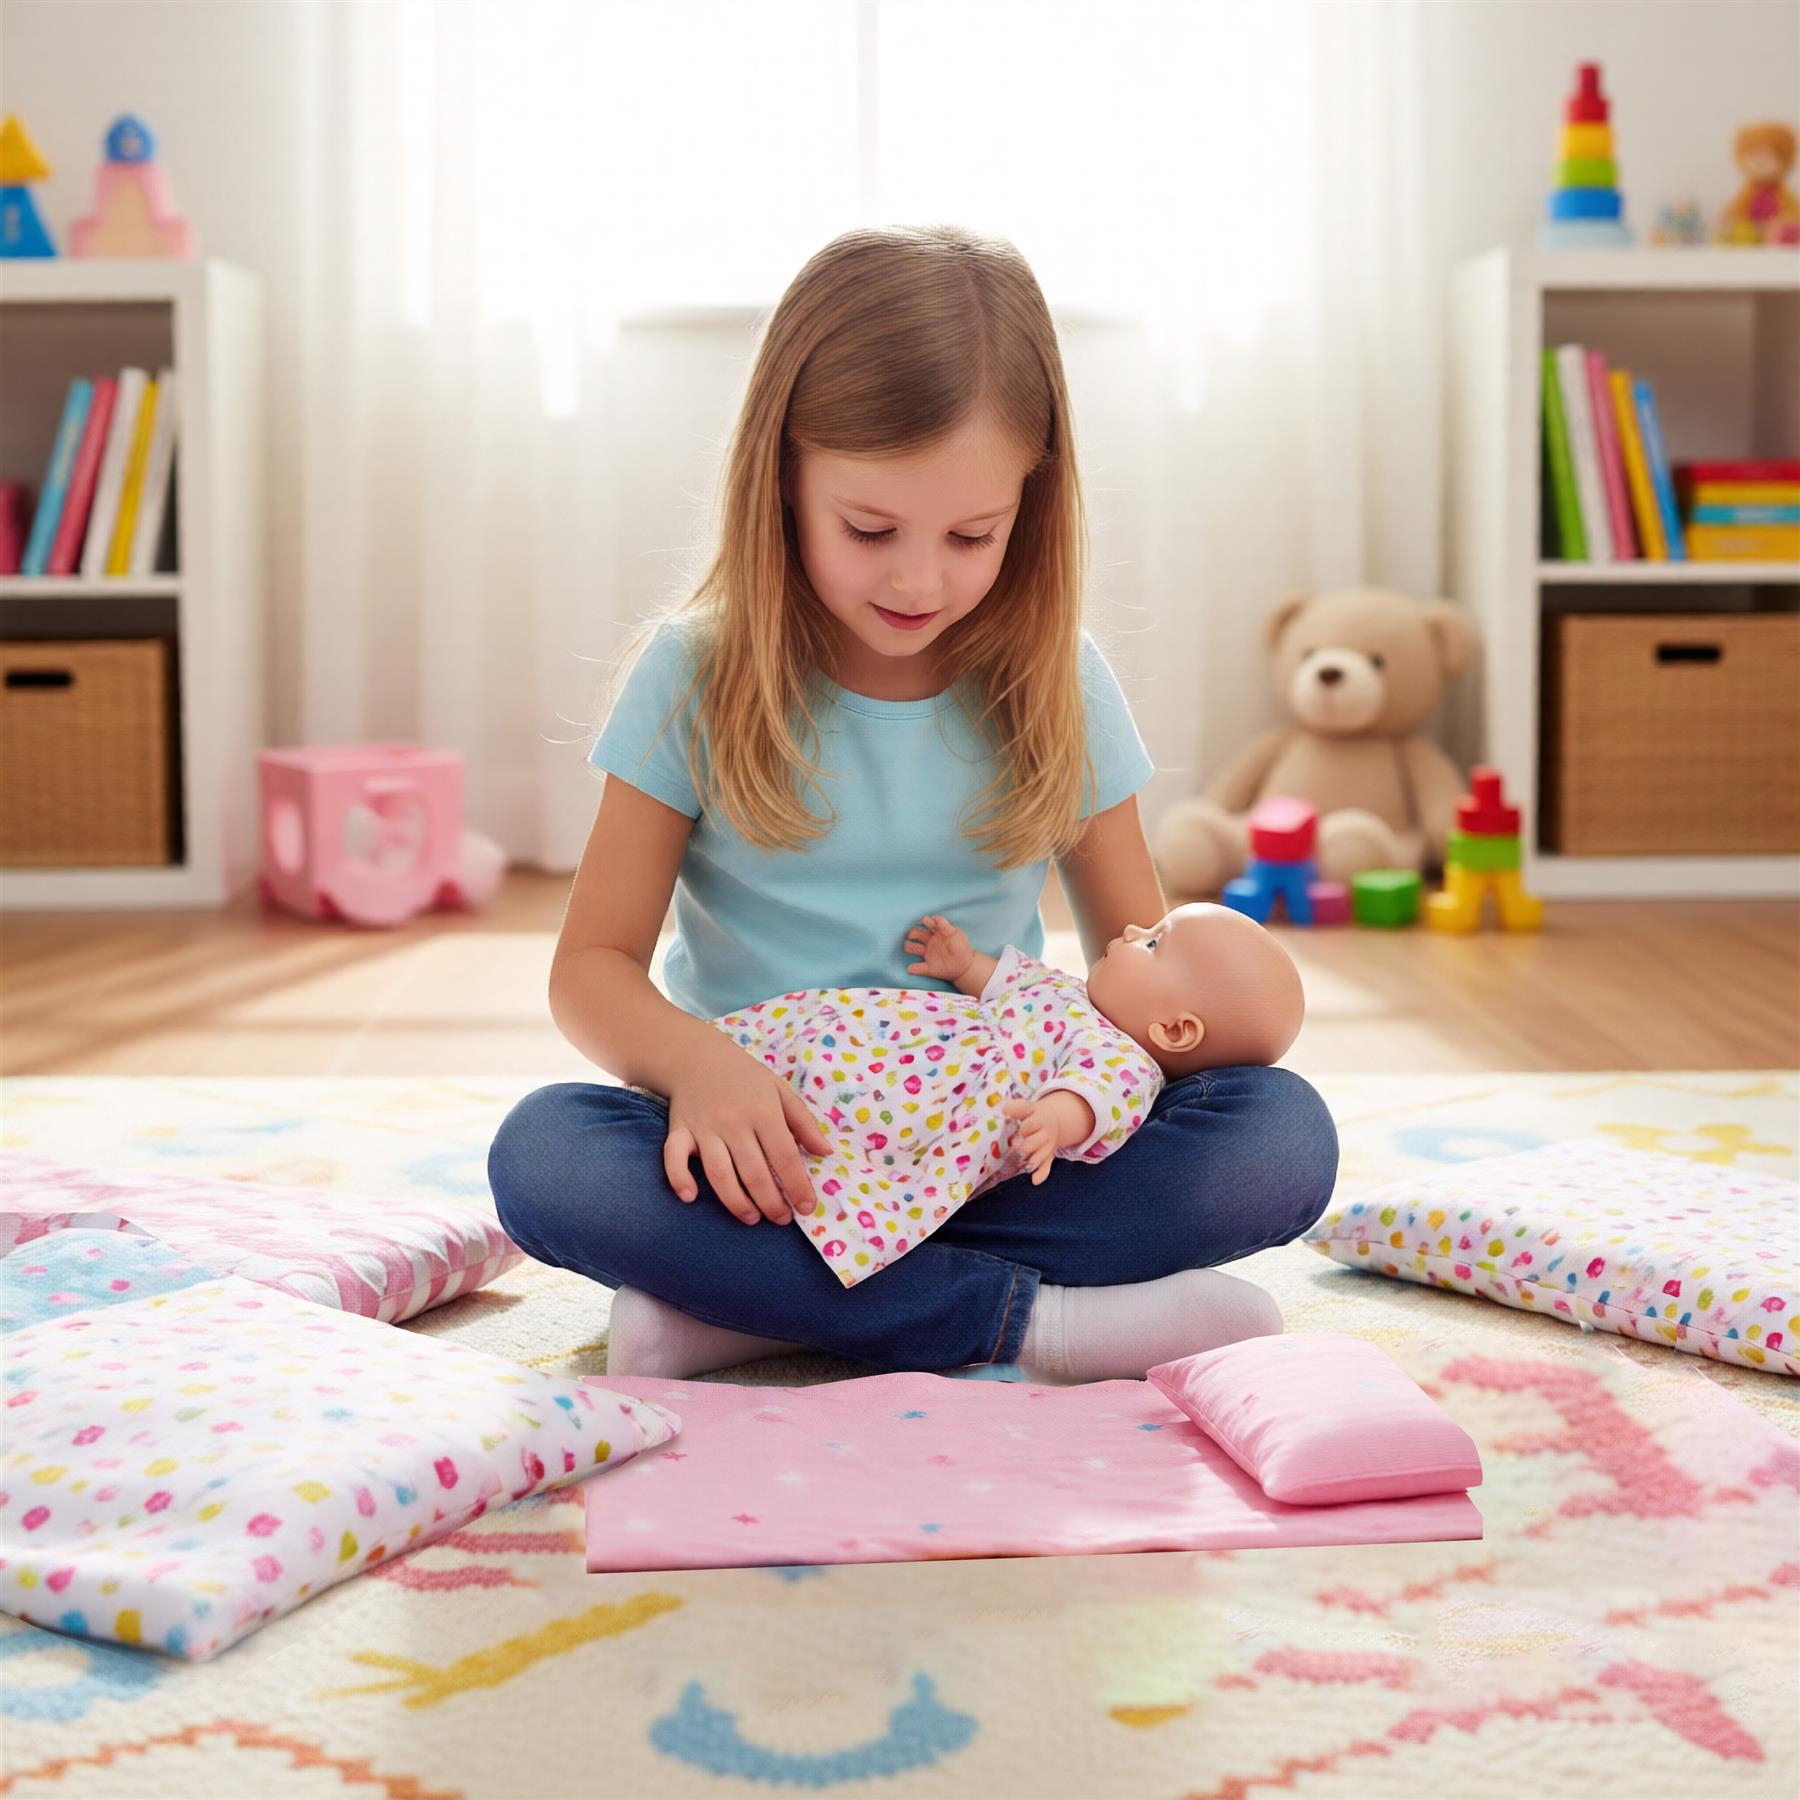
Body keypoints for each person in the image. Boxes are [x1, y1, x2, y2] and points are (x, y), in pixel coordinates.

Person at [487, 224, 1338, 1384]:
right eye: (871, 529)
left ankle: (765, 1306)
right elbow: (590, 966)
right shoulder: (694, 674)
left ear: (1029, 508)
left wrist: (1085, 1103)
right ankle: (1034, 1326)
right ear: (780, 474)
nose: (918, 579)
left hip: (997, 1150)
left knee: (1277, 1140)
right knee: (548, 1158)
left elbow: (1143, 988)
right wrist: (695, 1070)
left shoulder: (1059, 682)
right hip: (773, 1156)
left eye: (972, 535)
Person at [709, 903, 1305, 1288]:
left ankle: (810, 1254)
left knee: (1289, 1133)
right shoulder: (1071, 992)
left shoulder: (1126, 1062)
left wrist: (1052, 1121)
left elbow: (1091, 1098)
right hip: (895, 1042)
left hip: (928, 1110)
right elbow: (1004, 983)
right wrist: (963, 962)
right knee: (817, 1044)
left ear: (1173, 1031)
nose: (1128, 928)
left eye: (1151, 943)